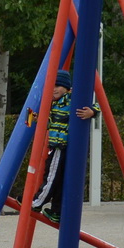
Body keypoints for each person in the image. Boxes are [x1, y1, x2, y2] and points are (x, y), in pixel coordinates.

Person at [32, 69, 98, 220]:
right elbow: (51, 123)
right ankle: (57, 211)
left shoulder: (70, 98)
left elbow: (96, 105)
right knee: (61, 181)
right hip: (60, 145)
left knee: (51, 176)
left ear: (67, 88)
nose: (54, 89)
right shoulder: (54, 105)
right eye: (52, 86)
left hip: (60, 146)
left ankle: (36, 202)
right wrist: (39, 119)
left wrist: (92, 112)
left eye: (58, 86)